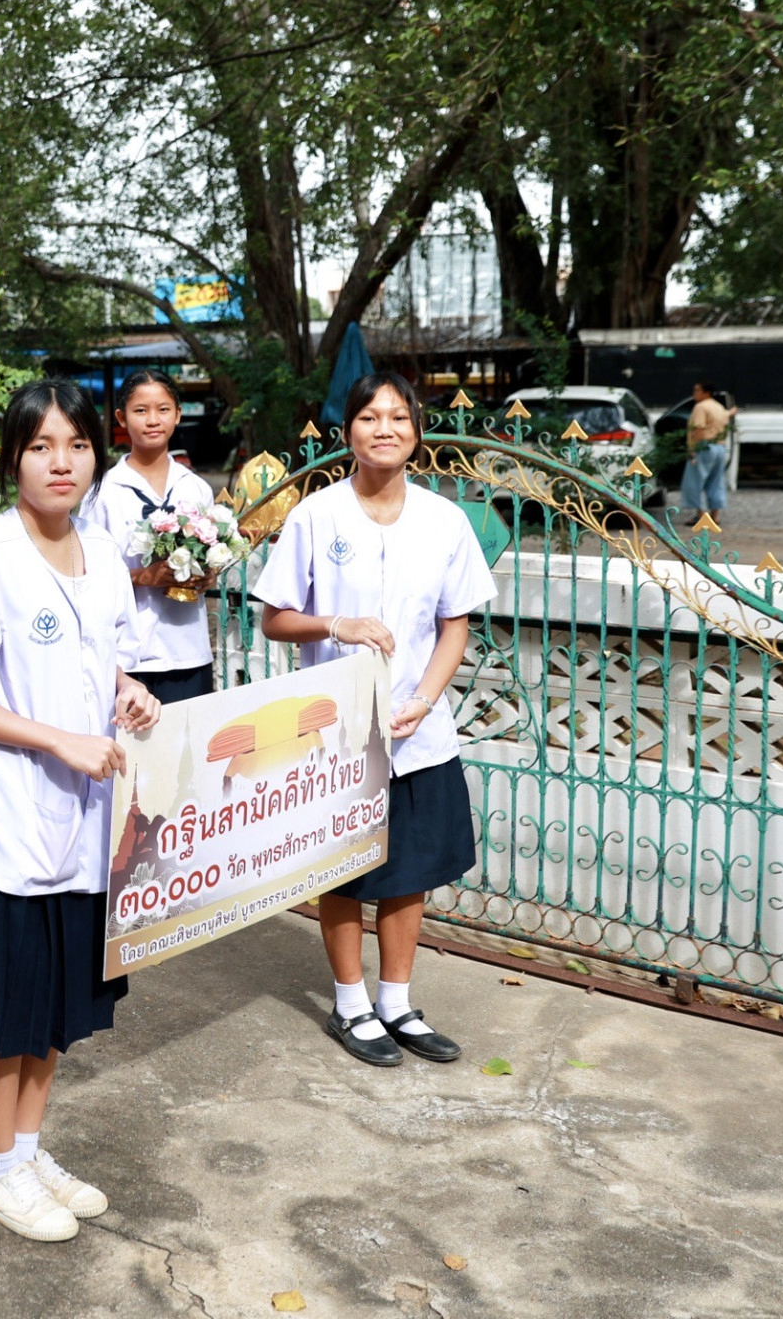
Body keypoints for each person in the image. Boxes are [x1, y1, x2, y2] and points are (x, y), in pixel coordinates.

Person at [0, 378, 157, 1242]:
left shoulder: (103, 554)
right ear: (12, 458)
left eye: (77, 445)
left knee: (55, 1004)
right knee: (3, 1010)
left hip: (87, 825)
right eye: (41, 446)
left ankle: (26, 1149)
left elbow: (110, 657)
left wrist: (131, 692)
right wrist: (57, 741)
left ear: (97, 453)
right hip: (9, 821)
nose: (62, 463)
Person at [255, 370, 494, 1069]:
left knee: (410, 869)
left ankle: (397, 1002)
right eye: (369, 417)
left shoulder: (445, 520)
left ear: (416, 431)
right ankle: (350, 1004)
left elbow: (455, 625)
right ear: (348, 431)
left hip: (418, 731)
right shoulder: (316, 515)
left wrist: (425, 699)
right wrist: (339, 623)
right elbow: (275, 619)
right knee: (344, 869)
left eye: (397, 417)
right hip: (336, 733)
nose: (383, 428)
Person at [90, 370, 218, 706]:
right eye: (140, 410)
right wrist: (142, 577)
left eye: (163, 409)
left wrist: (208, 576)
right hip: (128, 658)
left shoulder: (196, 488)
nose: (152, 420)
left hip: (189, 651)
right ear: (121, 418)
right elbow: (87, 576)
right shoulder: (103, 493)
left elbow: (211, 557)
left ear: (178, 414)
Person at [682, 380, 736, 526]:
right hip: (719, 446)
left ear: (706, 392)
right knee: (716, 481)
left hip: (704, 446)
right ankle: (715, 515)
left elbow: (699, 428)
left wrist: (692, 448)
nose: (694, 393)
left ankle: (700, 515)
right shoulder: (718, 406)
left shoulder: (701, 407)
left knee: (695, 481)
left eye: (697, 390)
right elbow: (727, 417)